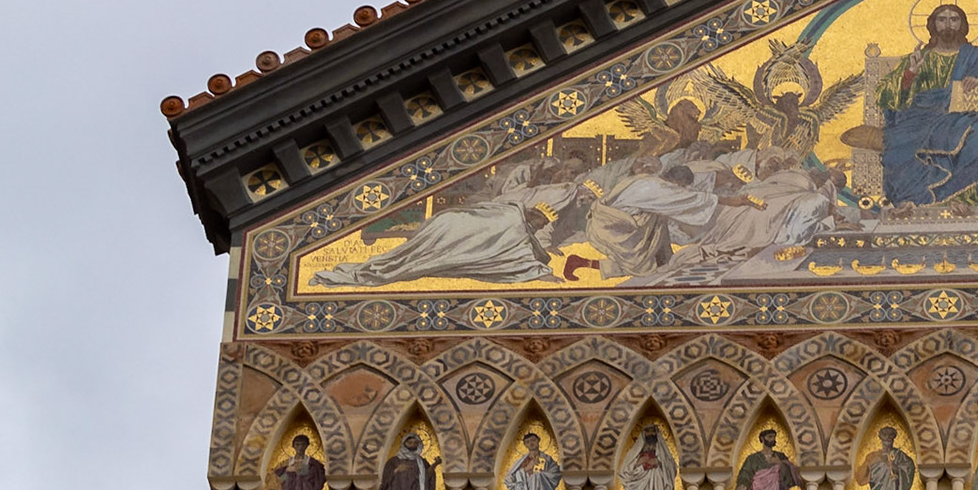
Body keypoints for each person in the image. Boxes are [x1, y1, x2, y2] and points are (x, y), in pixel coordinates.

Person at [311, 160, 579, 286]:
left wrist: (545, 269)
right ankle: (376, 268)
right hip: (450, 224)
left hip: (451, 226)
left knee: (413, 256)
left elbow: (519, 261)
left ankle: (376, 268)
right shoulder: (514, 214)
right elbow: (518, 260)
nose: (539, 225)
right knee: (418, 249)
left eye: (572, 171)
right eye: (539, 221)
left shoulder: (520, 229)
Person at [871, 4, 978, 207]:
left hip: (964, 118)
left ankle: (961, 196)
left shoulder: (977, 56)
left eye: (954, 19)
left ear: (962, 25)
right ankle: (916, 197)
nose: (948, 24)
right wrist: (910, 73)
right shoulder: (921, 57)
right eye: (942, 19)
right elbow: (884, 95)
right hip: (921, 119)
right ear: (933, 25)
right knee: (899, 143)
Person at [560, 161, 758, 281]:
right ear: (676, 182)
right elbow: (693, 199)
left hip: (615, 221)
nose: (680, 190)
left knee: (657, 227)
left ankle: (663, 258)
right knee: (640, 266)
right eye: (681, 187)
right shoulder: (659, 189)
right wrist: (735, 201)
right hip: (614, 229)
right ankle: (580, 262)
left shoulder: (649, 180)